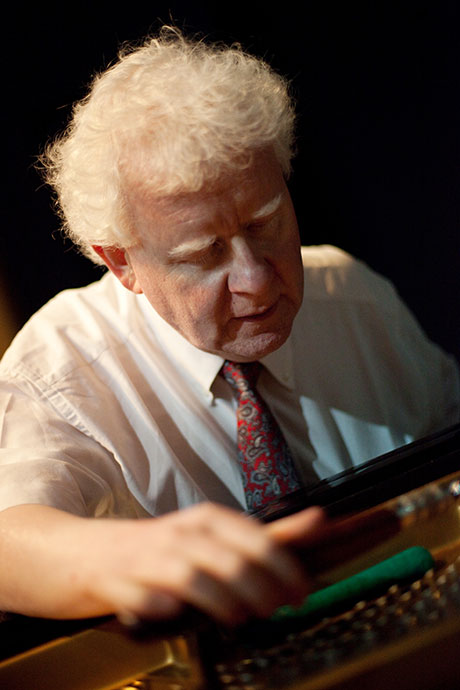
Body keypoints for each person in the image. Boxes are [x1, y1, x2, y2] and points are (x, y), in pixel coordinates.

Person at [0, 27, 458, 626]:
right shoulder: (57, 369)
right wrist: (137, 557)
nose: (258, 281)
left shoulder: (352, 297)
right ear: (121, 262)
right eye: (204, 254)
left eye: (266, 222)